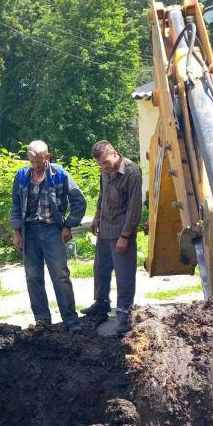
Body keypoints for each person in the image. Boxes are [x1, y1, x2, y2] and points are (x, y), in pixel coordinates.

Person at [10, 140, 86, 333]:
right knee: (33, 277)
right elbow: (16, 206)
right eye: (32, 162)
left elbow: (79, 201)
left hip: (53, 231)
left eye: (39, 162)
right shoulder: (21, 176)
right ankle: (42, 320)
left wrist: (68, 225)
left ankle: (70, 320)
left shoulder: (60, 175)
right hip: (29, 232)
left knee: (60, 276)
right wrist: (16, 232)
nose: (35, 166)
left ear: (48, 156)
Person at [81, 140, 143, 333]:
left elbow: (134, 208)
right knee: (100, 270)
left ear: (114, 153)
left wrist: (125, 236)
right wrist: (96, 217)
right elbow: (102, 195)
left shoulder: (132, 172)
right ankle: (101, 304)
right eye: (101, 164)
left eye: (106, 162)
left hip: (121, 233)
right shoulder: (104, 171)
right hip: (104, 230)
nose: (104, 167)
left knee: (124, 276)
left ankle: (124, 314)